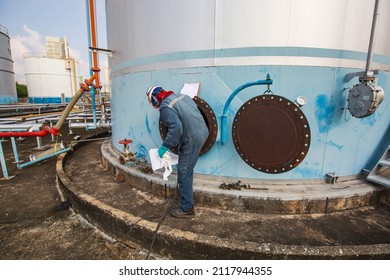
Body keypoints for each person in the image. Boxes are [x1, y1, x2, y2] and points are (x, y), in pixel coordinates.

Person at [146, 86, 209, 218]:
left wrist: (165, 146)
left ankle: (187, 209)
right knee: (188, 168)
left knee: (183, 171)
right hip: (204, 132)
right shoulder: (182, 96)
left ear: (154, 100)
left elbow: (176, 128)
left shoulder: (165, 107)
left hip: (192, 139)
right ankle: (187, 202)